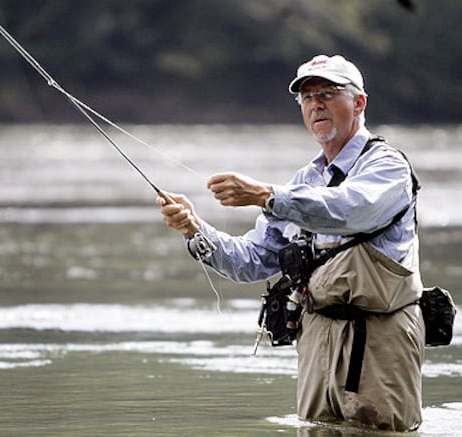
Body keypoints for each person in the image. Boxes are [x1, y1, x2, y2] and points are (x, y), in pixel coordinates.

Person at [157, 54, 425, 431]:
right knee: (315, 432)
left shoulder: (387, 165)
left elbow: (350, 210)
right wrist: (195, 230)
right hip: (315, 337)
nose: (316, 103)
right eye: (307, 97)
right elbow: (253, 260)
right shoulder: (303, 181)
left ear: (359, 103)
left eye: (328, 93)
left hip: (379, 333)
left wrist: (267, 194)